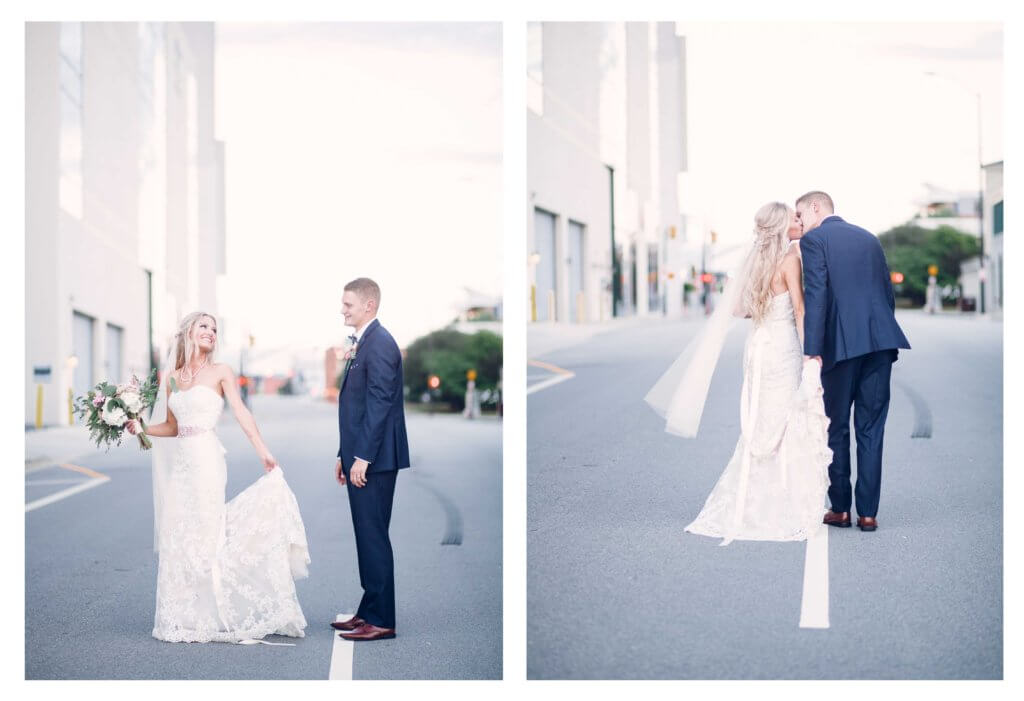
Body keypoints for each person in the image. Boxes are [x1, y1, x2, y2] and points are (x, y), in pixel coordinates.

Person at [645, 202, 831, 544]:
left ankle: (746, 498)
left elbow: (737, 309)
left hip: (757, 347)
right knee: (784, 419)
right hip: (782, 348)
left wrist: (763, 309)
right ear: (780, 227)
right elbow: (801, 309)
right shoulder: (790, 260)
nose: (797, 221)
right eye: (792, 218)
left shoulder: (753, 261)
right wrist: (810, 355)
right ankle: (783, 501)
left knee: (759, 421)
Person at [126, 311, 309, 643]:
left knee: (208, 533)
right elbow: (172, 426)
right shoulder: (172, 377)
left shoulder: (221, 371)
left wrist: (263, 450)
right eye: (204, 326)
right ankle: (184, 614)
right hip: (181, 464)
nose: (210, 332)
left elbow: (240, 412)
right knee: (178, 531)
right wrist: (142, 428)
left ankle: (218, 610)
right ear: (188, 333)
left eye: (214, 328)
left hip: (207, 460)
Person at [796, 191, 911, 531]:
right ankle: (869, 513)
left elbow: (817, 294)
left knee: (836, 427)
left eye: (801, 214)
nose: (800, 223)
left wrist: (812, 348)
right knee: (871, 428)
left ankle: (841, 508)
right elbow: (885, 293)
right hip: (880, 343)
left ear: (816, 207)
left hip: (841, 347)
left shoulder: (815, 240)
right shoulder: (869, 238)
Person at [329, 278, 411, 641]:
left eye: (348, 304)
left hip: (375, 459)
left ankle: (381, 620)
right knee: (367, 534)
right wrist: (343, 454)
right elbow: (356, 405)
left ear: (369, 305)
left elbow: (378, 404)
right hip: (360, 455)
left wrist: (362, 457)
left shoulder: (379, 344)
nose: (342, 309)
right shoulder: (365, 342)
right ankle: (368, 610)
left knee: (373, 535)